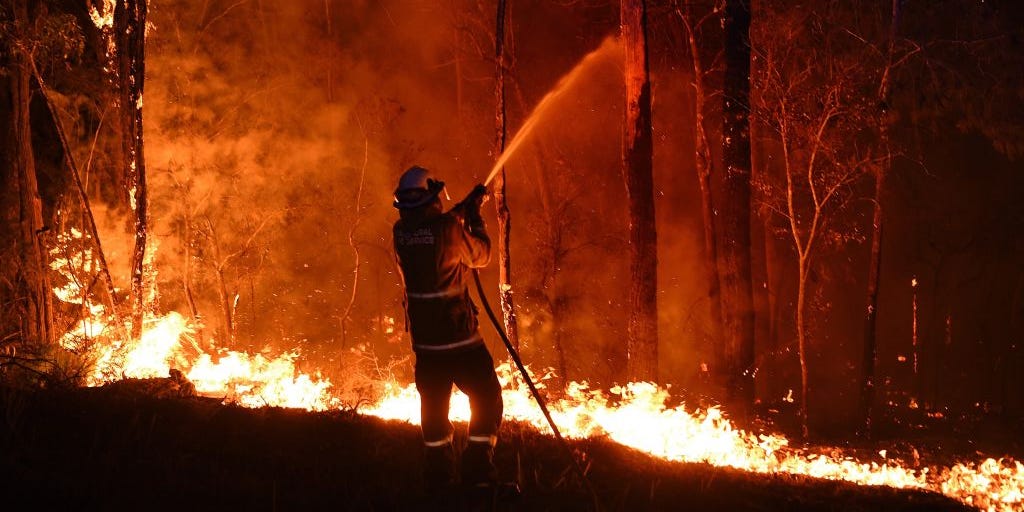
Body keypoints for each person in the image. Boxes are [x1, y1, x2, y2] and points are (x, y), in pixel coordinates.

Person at [391, 165, 504, 499]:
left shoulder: (400, 233)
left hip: (427, 345)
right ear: (431, 197)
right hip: (460, 340)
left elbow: (433, 230)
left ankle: (438, 475)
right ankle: (478, 468)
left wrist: (461, 210)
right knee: (487, 397)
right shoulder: (448, 230)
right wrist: (475, 219)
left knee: (434, 407)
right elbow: (480, 255)